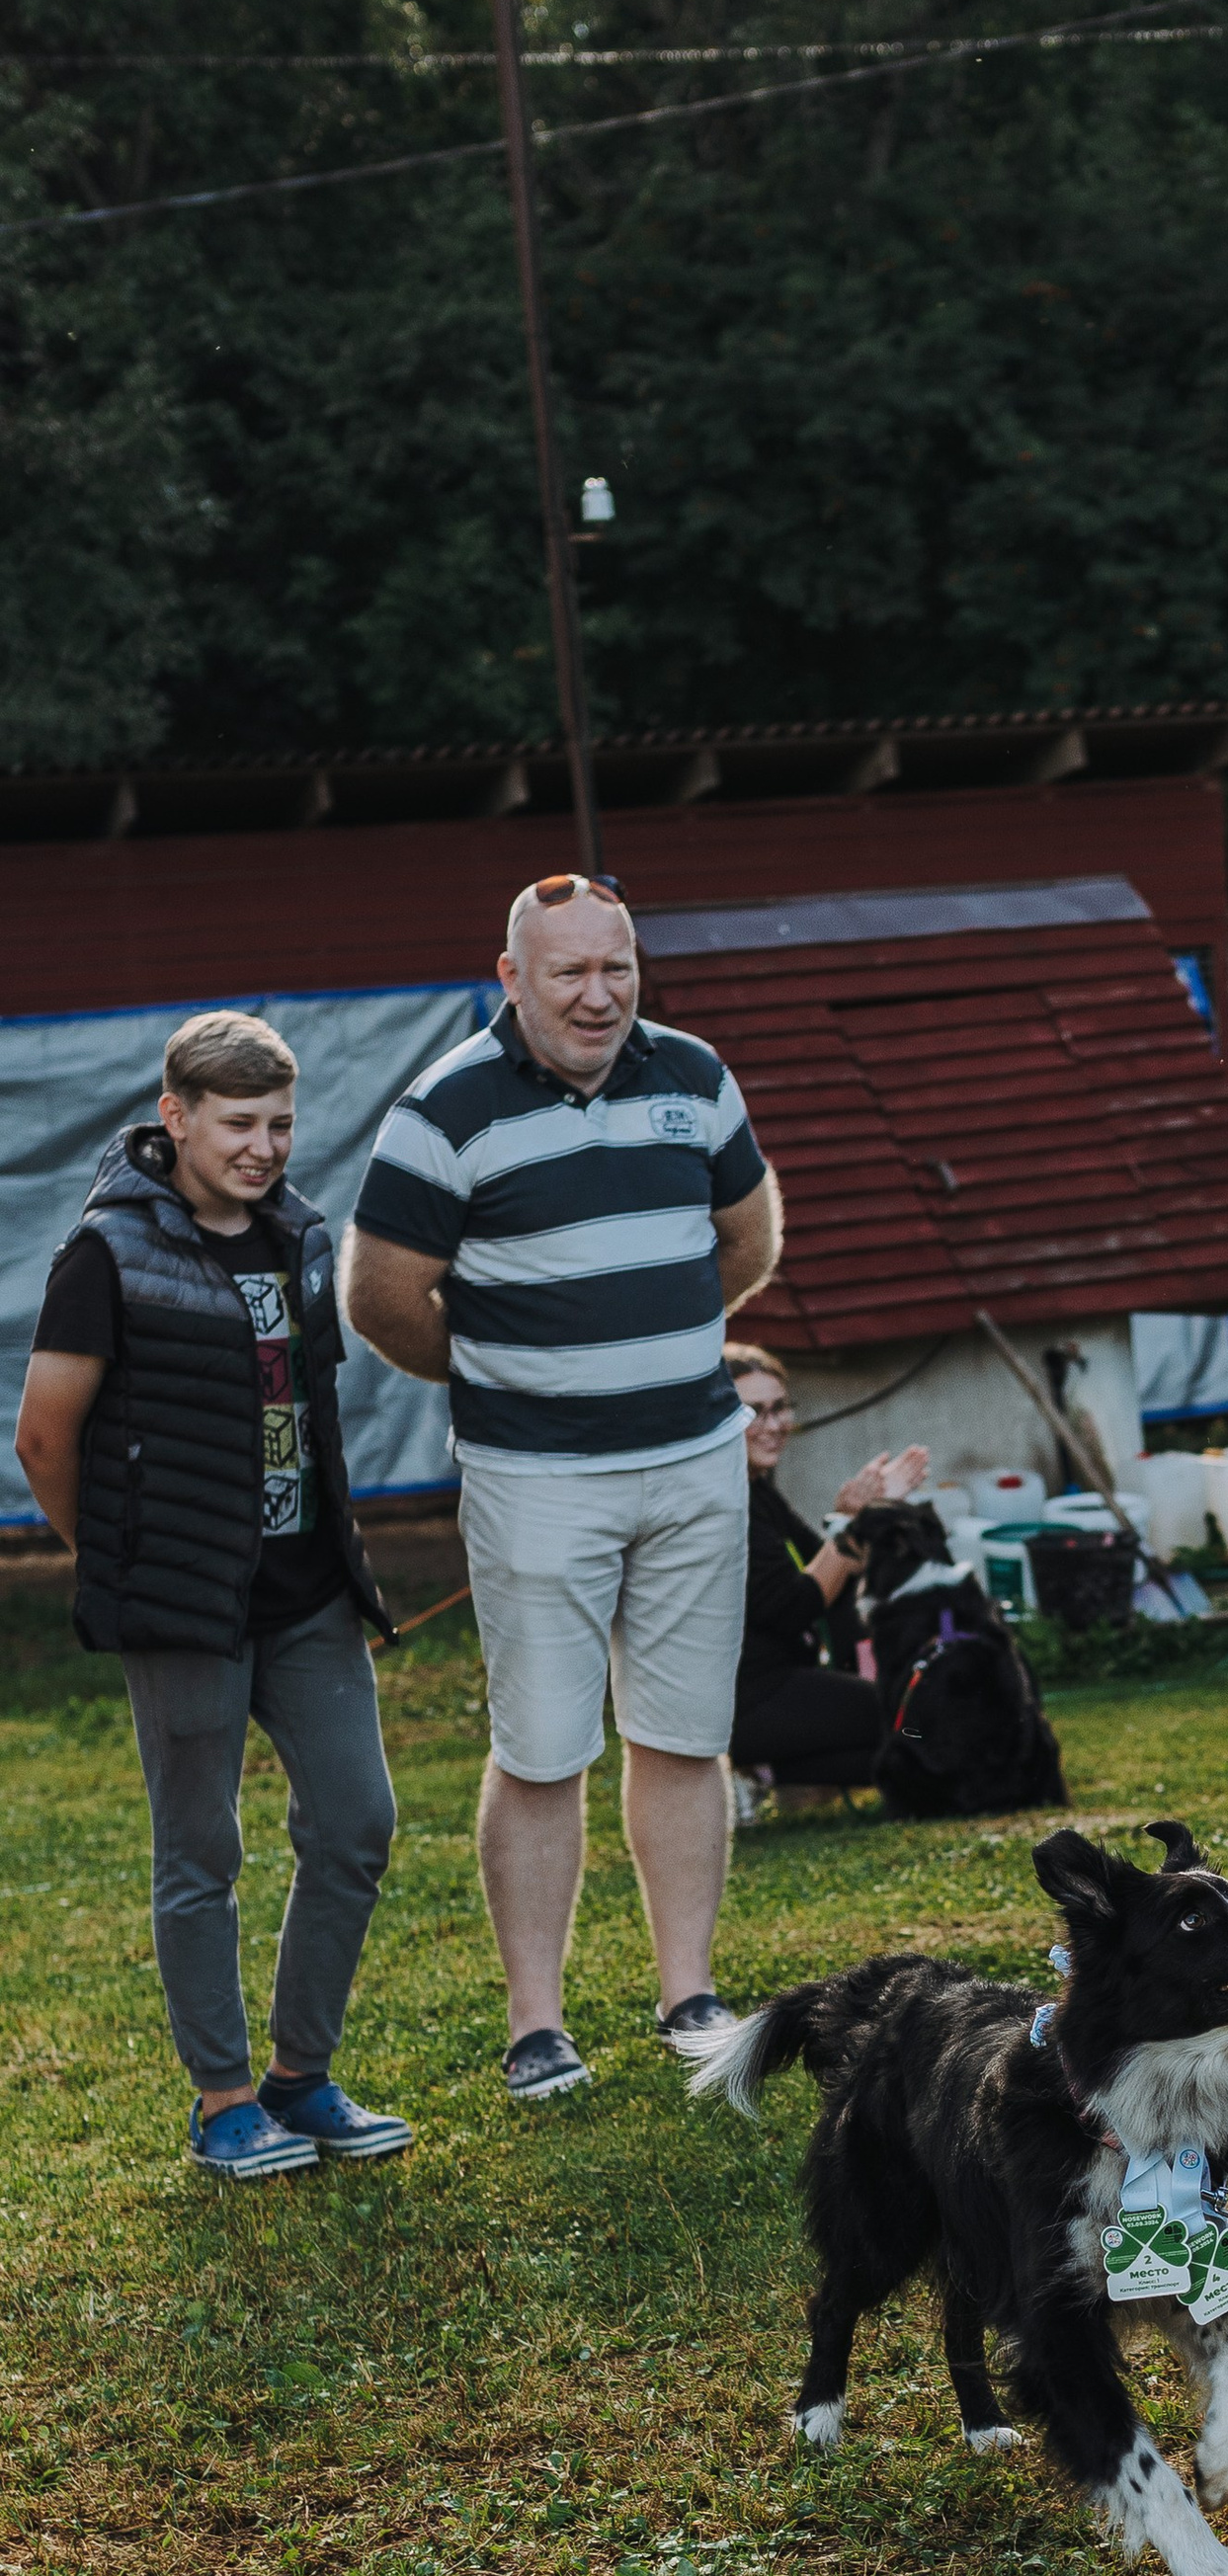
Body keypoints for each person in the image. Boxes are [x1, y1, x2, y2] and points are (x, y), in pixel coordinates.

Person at [343, 875, 781, 2098]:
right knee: (541, 1748)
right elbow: (382, 1297)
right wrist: (513, 1369)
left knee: (685, 1735)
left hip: (693, 1461)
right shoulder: (443, 1109)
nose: (599, 995)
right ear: (512, 977)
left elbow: (746, 1240)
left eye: (616, 967)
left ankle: (689, 1993)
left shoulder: (695, 1076)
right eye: (570, 972)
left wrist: (645, 1343)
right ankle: (536, 2022)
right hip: (534, 1475)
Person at [11, 1013, 408, 2182]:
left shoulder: (299, 1234)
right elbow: (44, 1437)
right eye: (239, 1124)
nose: (263, 1147)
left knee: (357, 1823)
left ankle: (300, 2079)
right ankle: (225, 2101)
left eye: (280, 1123)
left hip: (309, 1594)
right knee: (201, 1850)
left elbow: (309, 1418)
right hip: (183, 1604)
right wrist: (122, 1560)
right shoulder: (108, 1252)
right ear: (175, 1116)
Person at [725, 1340, 927, 1809]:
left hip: (778, 1680)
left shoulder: (757, 1488)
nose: (774, 1425)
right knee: (915, 1718)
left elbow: (832, 1563)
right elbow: (794, 1605)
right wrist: (852, 1523)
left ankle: (762, 1774)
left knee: (912, 1737)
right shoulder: (727, 1501)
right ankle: (746, 1767)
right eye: (753, 1412)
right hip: (748, 1694)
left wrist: (859, 1519)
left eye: (780, 1408)